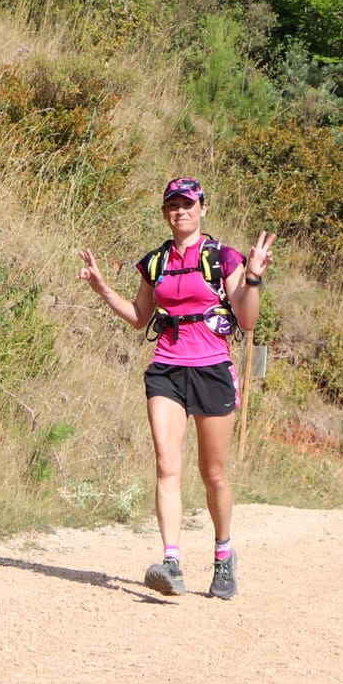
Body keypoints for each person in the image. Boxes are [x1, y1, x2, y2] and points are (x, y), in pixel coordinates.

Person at [78, 177, 276, 600]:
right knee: (167, 466)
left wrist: (253, 278)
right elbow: (139, 316)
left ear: (203, 208)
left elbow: (247, 320)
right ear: (165, 212)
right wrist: (102, 289)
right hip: (166, 368)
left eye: (187, 204)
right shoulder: (155, 262)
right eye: (173, 205)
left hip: (212, 369)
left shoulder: (223, 257)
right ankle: (171, 563)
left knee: (214, 474)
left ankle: (224, 555)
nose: (180, 211)